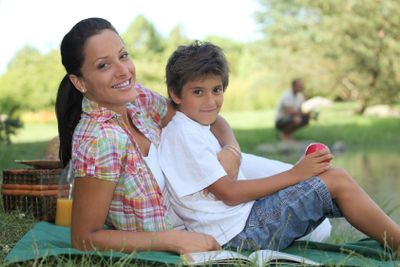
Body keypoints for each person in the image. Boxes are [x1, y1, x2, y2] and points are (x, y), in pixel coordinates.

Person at [159, 41, 400, 253]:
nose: (211, 101)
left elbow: (218, 125)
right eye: (198, 92)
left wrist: (299, 177)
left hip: (242, 223)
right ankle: (397, 243)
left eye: (217, 90)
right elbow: (229, 194)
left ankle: (392, 239)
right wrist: (296, 174)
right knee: (336, 181)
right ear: (175, 94)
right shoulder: (183, 134)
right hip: (239, 235)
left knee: (332, 182)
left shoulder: (192, 124)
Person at [54, 17, 249, 254]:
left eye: (123, 56)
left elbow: (202, 111)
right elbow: (84, 238)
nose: (123, 70)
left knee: (299, 183)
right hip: (212, 221)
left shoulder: (138, 99)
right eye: (104, 65)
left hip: (220, 200)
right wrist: (170, 240)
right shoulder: (99, 139)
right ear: (79, 82)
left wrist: (231, 148)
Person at [275, 79, 313, 143]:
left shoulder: (299, 96)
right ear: (293, 86)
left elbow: (302, 108)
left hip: (292, 117)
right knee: (297, 119)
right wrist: (303, 113)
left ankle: (288, 135)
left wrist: (308, 114)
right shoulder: (287, 95)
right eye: (299, 86)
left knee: (305, 119)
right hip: (281, 119)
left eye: (301, 85)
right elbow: (290, 112)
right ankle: (284, 135)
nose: (301, 87)